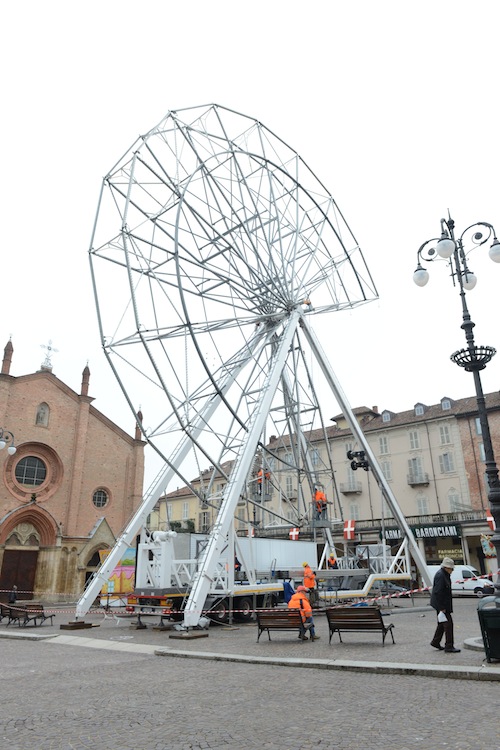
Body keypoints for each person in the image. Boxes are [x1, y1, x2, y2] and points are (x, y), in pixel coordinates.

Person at [430, 557, 460, 653]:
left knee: (442, 624)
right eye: (452, 568)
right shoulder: (441, 575)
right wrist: (442, 608)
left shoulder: (443, 574)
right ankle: (449, 646)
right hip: (442, 605)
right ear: (447, 567)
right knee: (448, 625)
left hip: (441, 604)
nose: (452, 570)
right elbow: (438, 592)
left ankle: (435, 641)